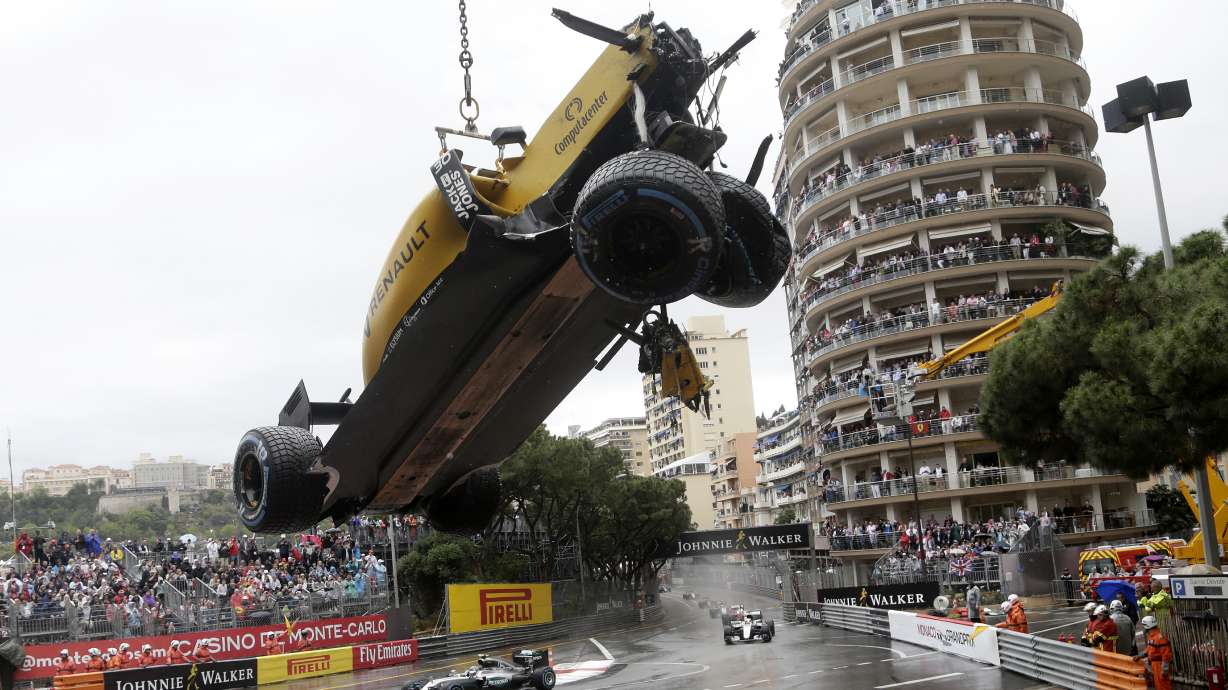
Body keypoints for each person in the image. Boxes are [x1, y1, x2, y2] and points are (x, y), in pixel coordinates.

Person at [1134, 616, 1173, 690]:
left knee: (1164, 686)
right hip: (1155, 665)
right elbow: (1149, 649)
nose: (1143, 628)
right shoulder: (1152, 636)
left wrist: (1164, 670)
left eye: (1144, 626)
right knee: (1159, 686)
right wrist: (1140, 656)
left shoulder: (1160, 638)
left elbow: (1166, 655)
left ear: (1147, 626)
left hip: (1160, 665)